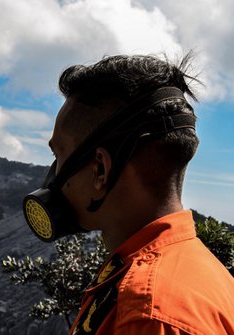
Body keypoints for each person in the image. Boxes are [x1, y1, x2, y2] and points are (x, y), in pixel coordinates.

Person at [23, 54, 234, 334]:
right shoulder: (197, 268)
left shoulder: (148, 316)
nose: (55, 174)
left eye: (58, 154)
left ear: (100, 169)